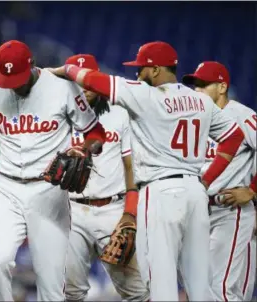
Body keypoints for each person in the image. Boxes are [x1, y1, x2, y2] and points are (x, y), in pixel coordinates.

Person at [48, 41, 245, 301]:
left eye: (141, 69)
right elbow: (233, 137)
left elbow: (95, 80)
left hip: (160, 191)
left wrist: (65, 69)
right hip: (195, 193)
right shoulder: (201, 101)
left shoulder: (146, 95)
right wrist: (205, 180)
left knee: (159, 282)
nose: (137, 74)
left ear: (154, 70)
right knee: (199, 283)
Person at [0, 40, 106, 301]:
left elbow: (95, 132)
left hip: (48, 188)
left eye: (19, 78)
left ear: (32, 64)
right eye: (7, 78)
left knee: (50, 280)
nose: (13, 84)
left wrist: (85, 150)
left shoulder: (62, 88)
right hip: (6, 187)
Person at [63, 54, 149, 301]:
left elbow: (132, 167)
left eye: (87, 82)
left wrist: (130, 213)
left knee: (138, 292)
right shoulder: (59, 115)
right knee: (71, 292)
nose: (82, 89)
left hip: (113, 210)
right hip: (71, 211)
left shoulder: (119, 113)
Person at [182, 61, 256, 301]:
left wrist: (253, 190)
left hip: (229, 210)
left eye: (203, 85)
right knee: (199, 289)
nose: (197, 90)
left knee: (221, 289)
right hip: (199, 212)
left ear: (222, 87)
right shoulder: (195, 119)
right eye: (195, 85)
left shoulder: (243, 116)